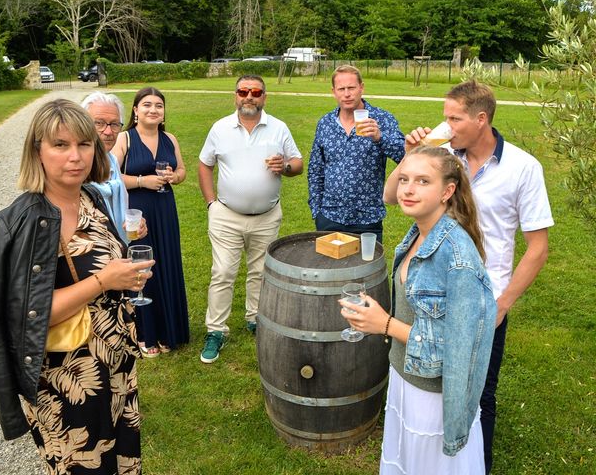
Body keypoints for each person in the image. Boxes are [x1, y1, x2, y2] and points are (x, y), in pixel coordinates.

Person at [0, 99, 154, 474]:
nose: (75, 156)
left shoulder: (91, 199)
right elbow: (23, 318)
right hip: (67, 381)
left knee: (123, 465)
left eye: (84, 144)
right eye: (60, 145)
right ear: (37, 151)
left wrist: (124, 277)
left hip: (116, 366)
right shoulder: (24, 222)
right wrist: (104, 280)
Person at [393, 80, 554, 473]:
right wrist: (412, 154)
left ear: (481, 119)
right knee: (428, 384)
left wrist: (502, 304)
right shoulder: (441, 158)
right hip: (430, 293)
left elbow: (538, 247)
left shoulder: (523, 168)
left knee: (477, 394)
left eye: (454, 118)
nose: (445, 125)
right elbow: (390, 195)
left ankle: (473, 464)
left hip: (484, 301)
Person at [341, 146, 496, 474]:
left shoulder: (457, 257)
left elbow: (457, 345)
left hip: (434, 395)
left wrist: (384, 324)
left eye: (423, 181)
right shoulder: (419, 235)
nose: (408, 189)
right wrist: (379, 316)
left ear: (447, 191)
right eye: (405, 179)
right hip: (404, 376)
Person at [197, 74, 303, 363]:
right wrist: (211, 204)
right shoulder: (220, 128)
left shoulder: (278, 128)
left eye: (256, 92)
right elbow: (205, 165)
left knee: (260, 271)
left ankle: (256, 318)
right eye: (243, 91)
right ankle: (216, 329)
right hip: (226, 216)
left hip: (267, 216)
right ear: (236, 96)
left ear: (264, 97)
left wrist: (286, 167)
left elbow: (298, 165)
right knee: (223, 273)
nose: (249, 96)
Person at [111, 87, 190, 357]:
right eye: (147, 105)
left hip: (165, 209)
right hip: (137, 212)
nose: (153, 110)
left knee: (167, 264)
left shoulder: (170, 138)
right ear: (135, 110)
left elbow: (182, 172)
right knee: (142, 267)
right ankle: (145, 334)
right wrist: (142, 181)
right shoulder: (125, 139)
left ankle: (170, 330)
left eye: (158, 105)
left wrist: (173, 177)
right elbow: (110, 177)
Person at [307, 64, 405, 242]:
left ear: (361, 87)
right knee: (329, 268)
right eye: (341, 89)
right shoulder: (326, 123)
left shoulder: (382, 119)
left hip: (367, 219)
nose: (347, 94)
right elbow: (315, 169)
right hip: (329, 216)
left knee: (368, 268)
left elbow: (405, 156)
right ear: (333, 91)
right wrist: (317, 210)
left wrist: (379, 137)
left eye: (351, 88)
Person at [81, 92, 130, 242]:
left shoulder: (112, 161)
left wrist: (131, 224)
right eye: (99, 123)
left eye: (114, 124)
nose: (108, 132)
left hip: (117, 249)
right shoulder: (76, 168)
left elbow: (122, 214)